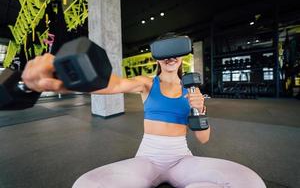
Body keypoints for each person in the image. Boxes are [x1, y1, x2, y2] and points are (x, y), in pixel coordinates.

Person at [22, 53, 266, 188]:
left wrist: (200, 109)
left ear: (182, 57)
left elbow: (203, 138)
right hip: (147, 159)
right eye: (165, 54)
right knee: (85, 185)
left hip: (182, 159)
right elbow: (114, 84)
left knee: (250, 183)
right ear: (157, 58)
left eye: (175, 54)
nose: (170, 58)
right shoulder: (147, 83)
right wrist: (63, 80)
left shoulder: (193, 91)